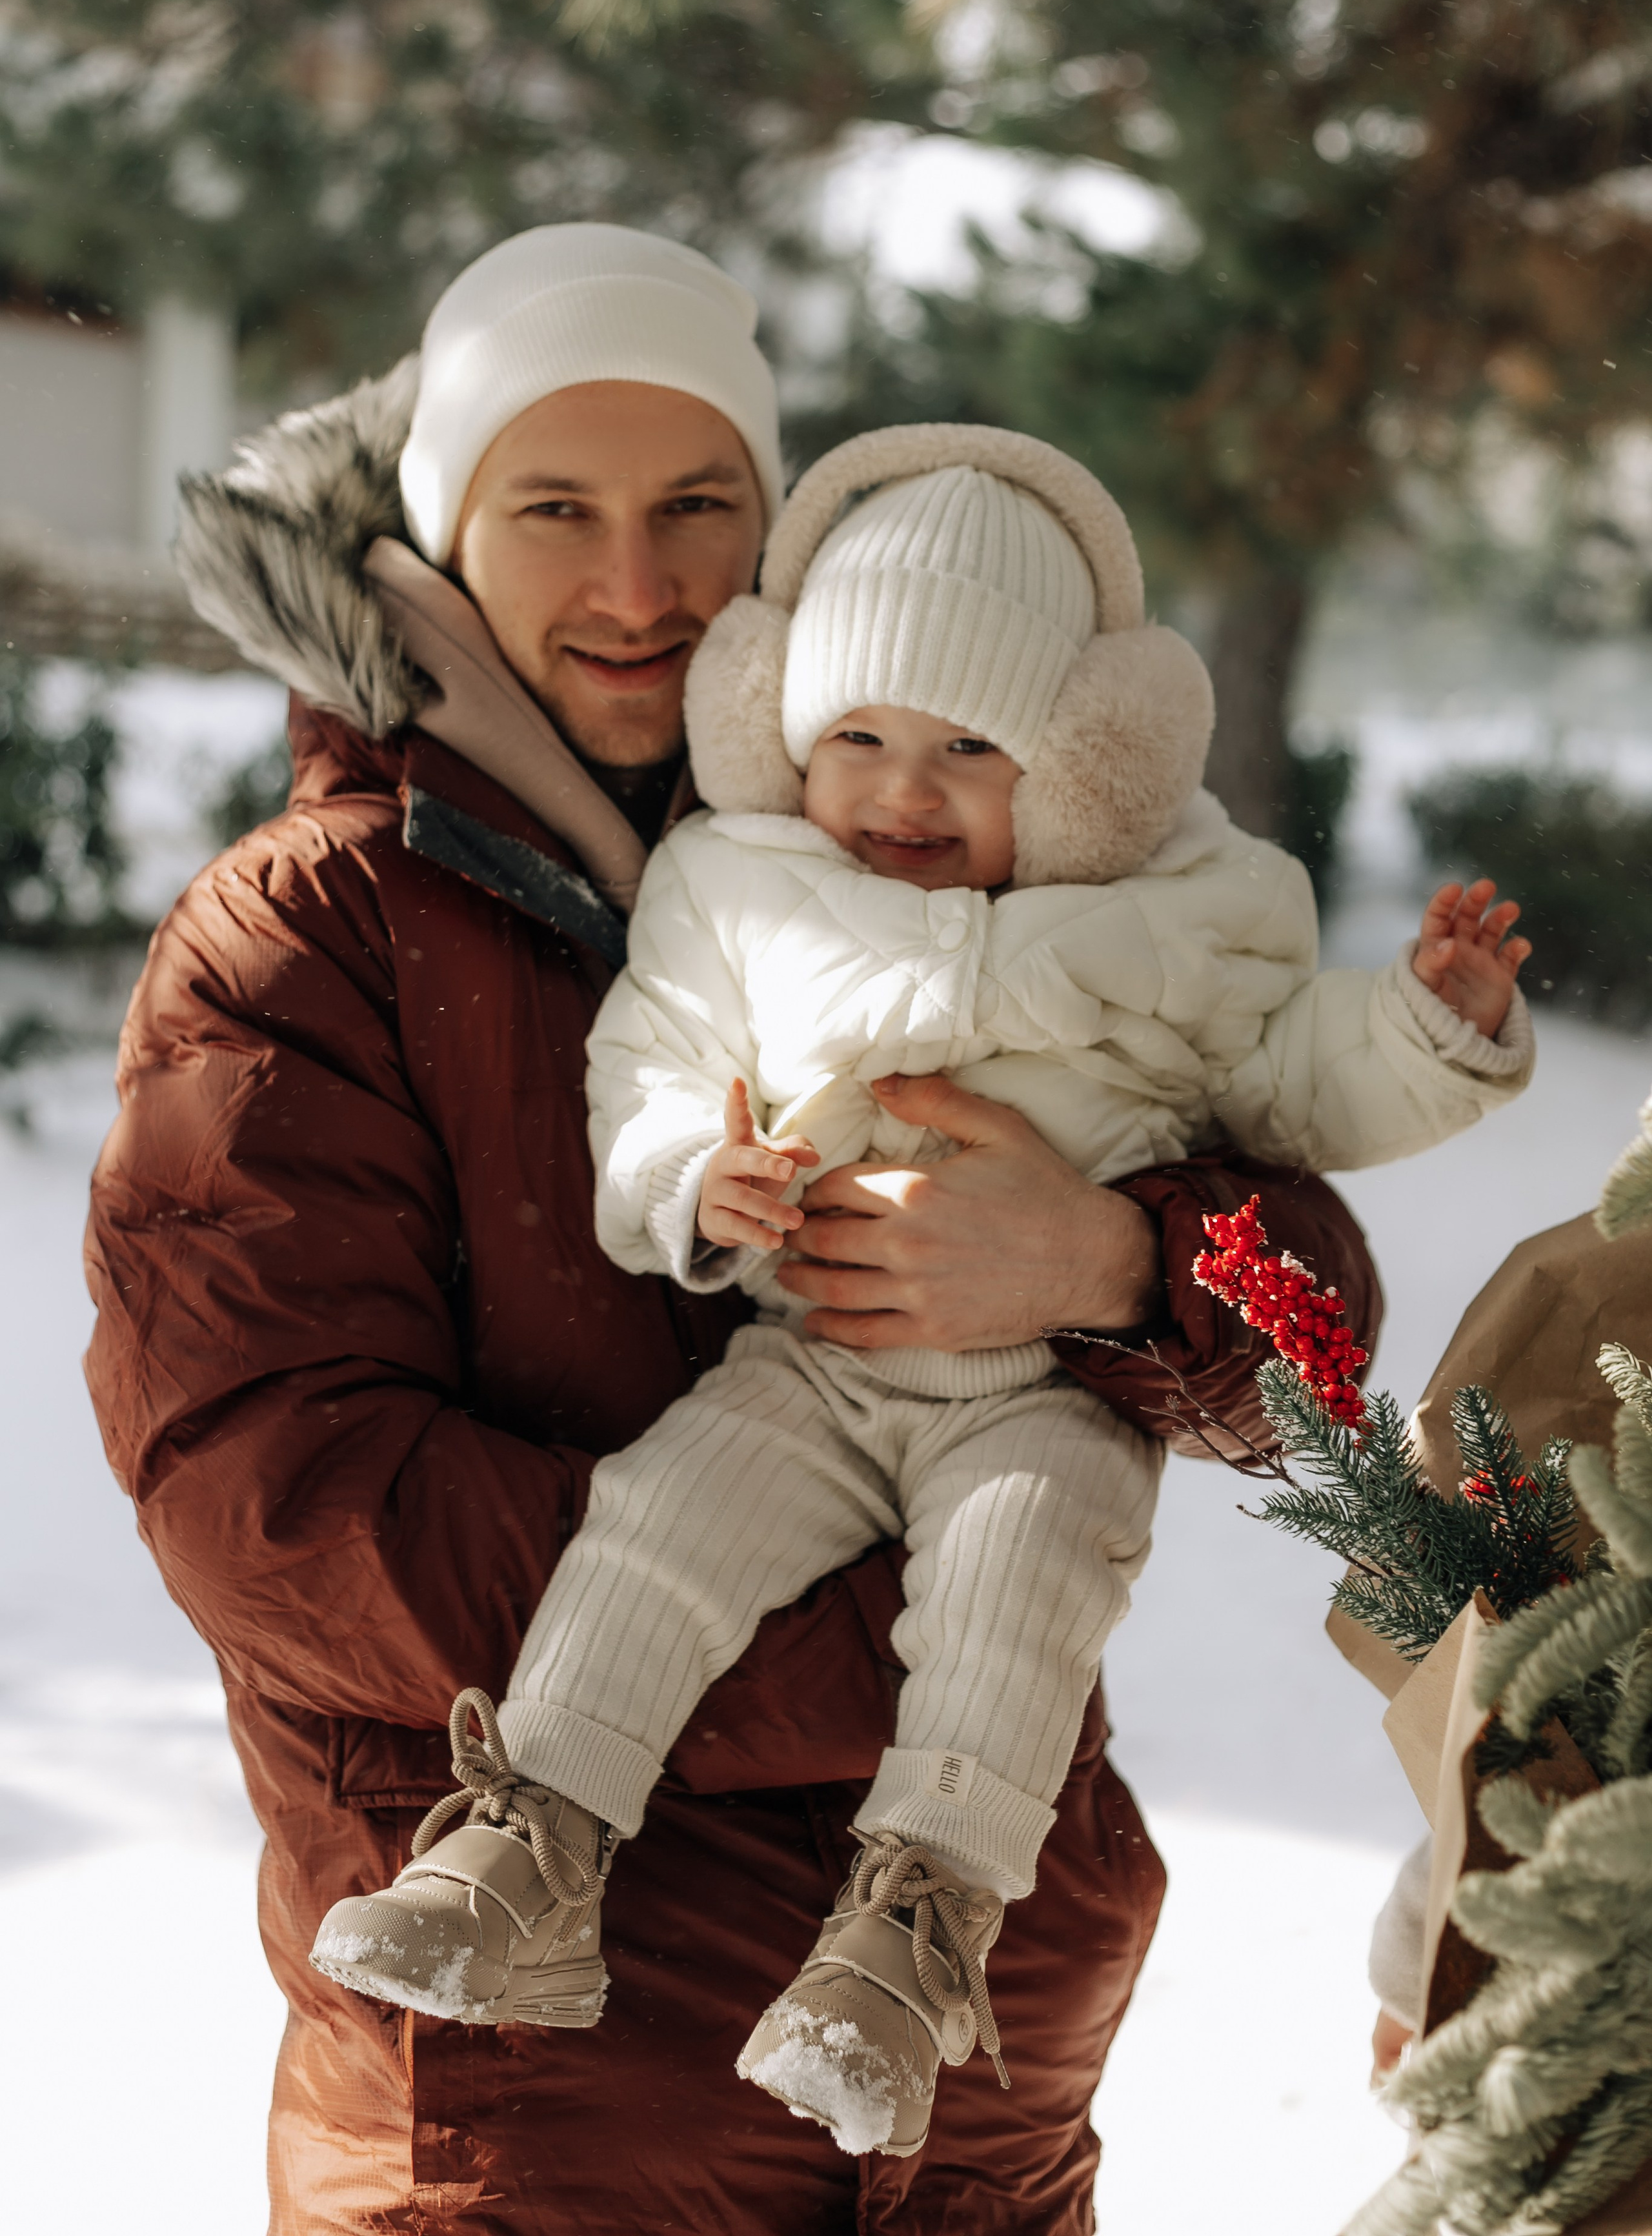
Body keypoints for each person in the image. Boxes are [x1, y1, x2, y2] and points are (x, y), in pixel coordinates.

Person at [85, 223, 1382, 2233]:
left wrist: (1115, 1261)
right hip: (562, 2125)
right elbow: (289, 1508)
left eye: (701, 506)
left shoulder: (929, 824)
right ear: (439, 538)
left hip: (971, 2098)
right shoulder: (312, 937)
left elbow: (1311, 1322)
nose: (638, 586)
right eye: (556, 510)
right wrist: (936, 1672)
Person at [306, 421, 1534, 2163]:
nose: (901, 789)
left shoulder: (1184, 916)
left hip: (1047, 1389)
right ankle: (530, 1842)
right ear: (781, 729)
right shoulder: (741, 891)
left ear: (1086, 764)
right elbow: (655, 1069)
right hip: (814, 1357)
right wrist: (687, 1186)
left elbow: (1296, 1075)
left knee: (1021, 1580)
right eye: (858, 738)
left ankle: (914, 1936)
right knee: (662, 1519)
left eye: (971, 748)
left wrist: (1429, 1027)